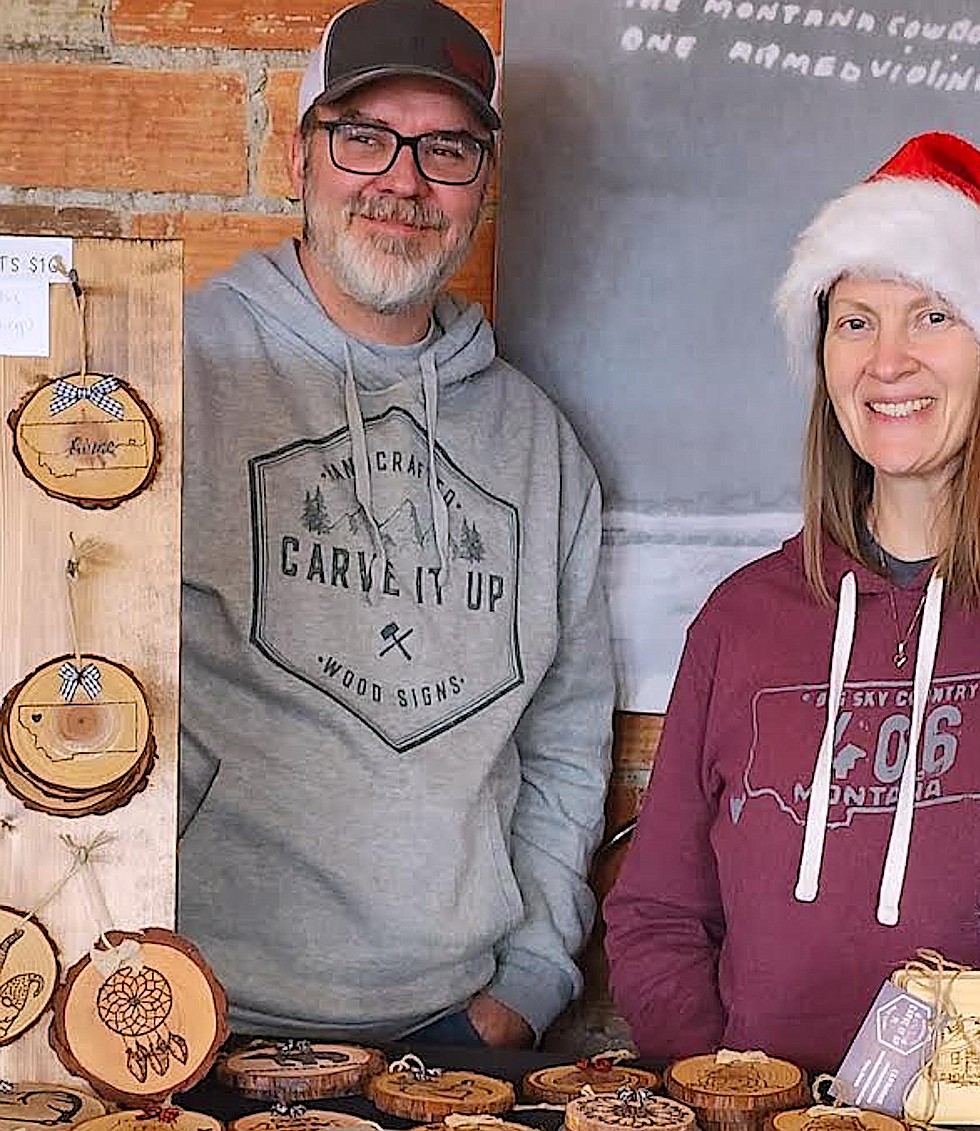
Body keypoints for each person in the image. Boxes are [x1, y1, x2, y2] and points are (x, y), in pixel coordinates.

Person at [604, 131, 980, 1076]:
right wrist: (724, 1083)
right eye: (856, 321)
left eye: (932, 317)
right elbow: (658, 912)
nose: (888, 361)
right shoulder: (742, 621)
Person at [179, 0, 614, 1048]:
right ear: (300, 156)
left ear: (486, 184)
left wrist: (530, 986)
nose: (404, 181)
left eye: (447, 149)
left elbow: (565, 737)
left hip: (451, 1039)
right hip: (183, 1028)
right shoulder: (171, 376)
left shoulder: (539, 449)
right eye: (365, 137)